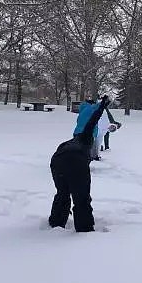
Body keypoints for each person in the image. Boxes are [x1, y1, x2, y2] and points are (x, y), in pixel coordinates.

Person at [49, 96, 110, 232]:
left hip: (57, 160)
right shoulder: (86, 137)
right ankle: (84, 229)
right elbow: (92, 121)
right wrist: (102, 106)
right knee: (81, 198)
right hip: (76, 161)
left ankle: (56, 223)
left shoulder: (68, 141)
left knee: (62, 194)